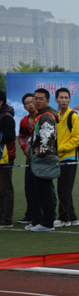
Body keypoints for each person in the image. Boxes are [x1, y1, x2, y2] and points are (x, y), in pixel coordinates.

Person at [26, 88, 59, 232]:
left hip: (43, 161)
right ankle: (37, 221)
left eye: (41, 99)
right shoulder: (41, 115)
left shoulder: (47, 116)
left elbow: (48, 138)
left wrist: (40, 152)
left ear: (47, 101)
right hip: (36, 160)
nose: (37, 101)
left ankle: (47, 223)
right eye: (35, 98)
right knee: (34, 190)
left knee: (44, 192)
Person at [53, 88, 79, 228]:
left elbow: (78, 138)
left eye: (66, 98)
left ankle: (64, 218)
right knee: (65, 190)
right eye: (61, 97)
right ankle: (73, 218)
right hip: (59, 158)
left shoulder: (73, 116)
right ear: (56, 100)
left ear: (70, 100)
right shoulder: (57, 116)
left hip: (69, 158)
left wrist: (61, 149)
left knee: (63, 190)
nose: (64, 100)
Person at [16, 93, 37, 224]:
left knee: (45, 188)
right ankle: (30, 214)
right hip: (29, 160)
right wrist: (24, 148)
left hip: (43, 160)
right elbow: (21, 136)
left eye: (32, 101)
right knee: (29, 188)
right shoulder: (24, 121)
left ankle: (48, 216)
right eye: (27, 103)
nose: (30, 104)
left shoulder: (43, 118)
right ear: (24, 107)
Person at [0, 90, 16, 228]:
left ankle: (7, 219)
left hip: (4, 157)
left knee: (6, 189)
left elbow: (10, 136)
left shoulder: (6, 116)